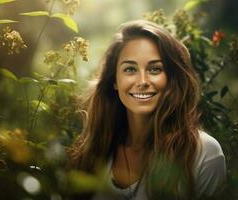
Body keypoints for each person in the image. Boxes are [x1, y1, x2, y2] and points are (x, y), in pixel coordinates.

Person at [68, 20, 226, 200]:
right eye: (130, 69)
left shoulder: (205, 153)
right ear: (114, 81)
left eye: (154, 69)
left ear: (171, 78)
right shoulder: (93, 149)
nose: (142, 81)